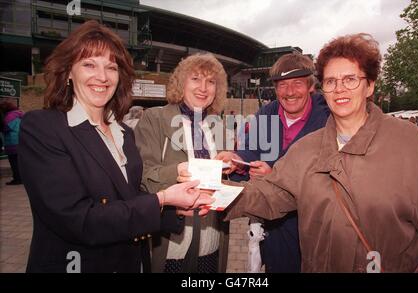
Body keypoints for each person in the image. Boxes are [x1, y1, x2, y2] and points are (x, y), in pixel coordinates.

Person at [224, 33, 418, 272]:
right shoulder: (306, 149)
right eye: (331, 81)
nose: (340, 88)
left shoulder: (411, 144)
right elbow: (268, 195)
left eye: (350, 79)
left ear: (370, 85)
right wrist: (210, 192)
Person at [18, 20, 213, 273]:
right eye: (89, 64)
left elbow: (127, 198)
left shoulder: (124, 133)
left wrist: (172, 209)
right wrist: (161, 200)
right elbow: (78, 219)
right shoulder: (43, 127)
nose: (102, 77)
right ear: (68, 71)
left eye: (111, 67)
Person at [216, 53, 330, 272]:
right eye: (282, 85)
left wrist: (276, 177)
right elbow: (249, 152)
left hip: (316, 230)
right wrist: (236, 160)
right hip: (274, 229)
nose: (289, 92)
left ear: (310, 86)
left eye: (297, 84)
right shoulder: (266, 113)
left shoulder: (327, 115)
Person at [134, 53, 231, 273]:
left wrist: (231, 168)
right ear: (181, 83)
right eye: (195, 79)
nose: (203, 88)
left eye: (211, 82)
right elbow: (141, 176)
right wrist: (176, 172)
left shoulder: (219, 126)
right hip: (171, 244)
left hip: (211, 240)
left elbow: (227, 182)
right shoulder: (154, 119)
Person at [0, 100, 23, 185]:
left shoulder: (9, 116)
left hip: (12, 142)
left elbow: (6, 127)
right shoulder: (19, 114)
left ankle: (17, 179)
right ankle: (21, 178)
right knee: (19, 162)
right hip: (21, 141)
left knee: (14, 162)